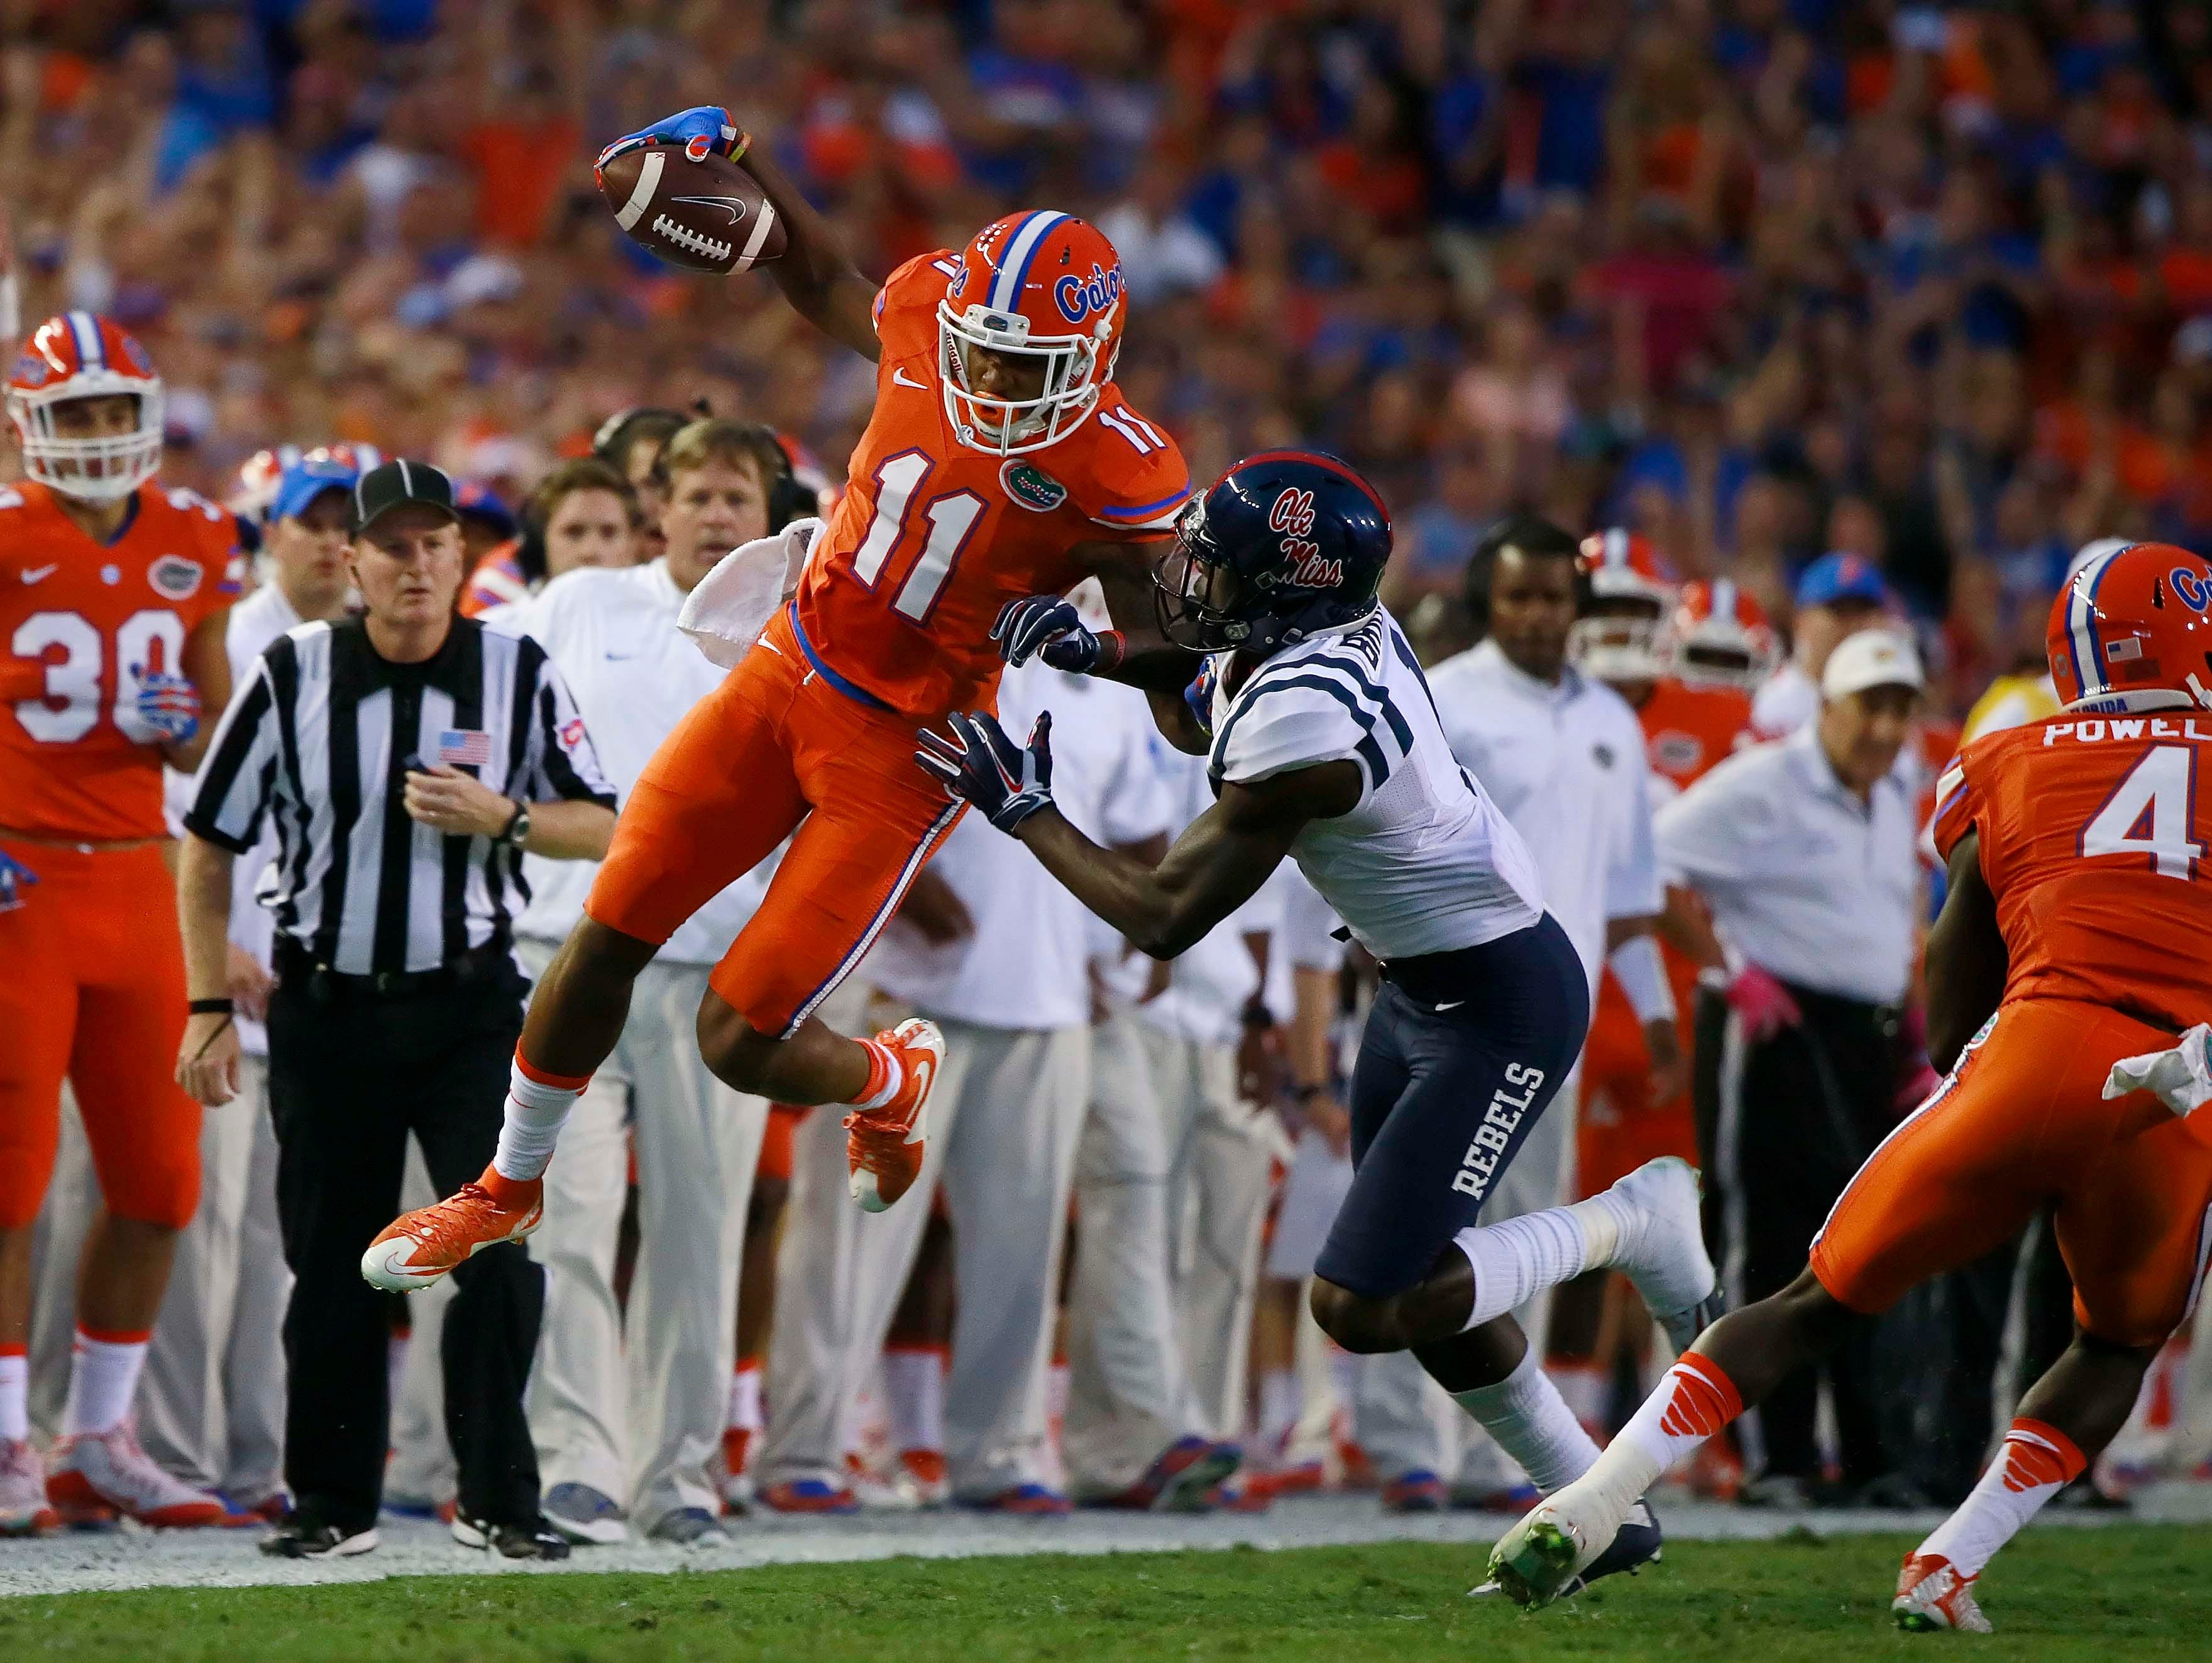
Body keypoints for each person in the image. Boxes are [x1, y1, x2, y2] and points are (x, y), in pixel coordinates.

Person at [368, 104, 1194, 1286]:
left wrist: (1112, 655)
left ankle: (884, 1076)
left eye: (1022, 363)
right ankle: (504, 1187)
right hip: (789, 665)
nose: (989, 376)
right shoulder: (925, 315)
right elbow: (814, 269)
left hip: (910, 745)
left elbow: (1172, 682)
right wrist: (749, 158)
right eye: (980, 344)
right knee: (609, 929)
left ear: (1088, 362)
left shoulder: (1121, 472)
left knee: (736, 1039)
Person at [924, 451, 1717, 1594]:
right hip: (1416, 985)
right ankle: (1596, 1504)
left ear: (1287, 595)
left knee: (1360, 1300)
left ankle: (1630, 1223)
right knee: (1414, 1280)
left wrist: (1027, 814)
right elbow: (1203, 700)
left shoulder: (1307, 721)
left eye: (1220, 564)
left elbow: (1160, 914)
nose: (1192, 575)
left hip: (1499, 999)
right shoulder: (1325, 639)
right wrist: (1096, 654)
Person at [1488, 541, 2212, 1628]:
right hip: (2175, 1083)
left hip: (2036, 1045)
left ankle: (1591, 1498)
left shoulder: (2005, 753)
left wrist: (1978, 1088)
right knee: (2110, 1343)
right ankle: (1947, 1563)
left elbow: (1948, 989)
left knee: (1813, 1297)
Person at [175, 459, 617, 1561]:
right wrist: (201, 1000)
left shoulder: (517, 670)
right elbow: (209, 839)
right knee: (331, 1261)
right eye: (393, 545)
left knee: (499, 1254)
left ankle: (497, 1497)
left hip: (468, 1005)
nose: (416, 563)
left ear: (462, 558)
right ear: (351, 561)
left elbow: (604, 823)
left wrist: (504, 816)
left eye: (436, 543)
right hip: (325, 1005)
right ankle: (330, 1501)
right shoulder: (291, 673)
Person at [510, 419, 801, 1547]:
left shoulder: (796, 632)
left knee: (697, 1226)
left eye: (739, 497)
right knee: (568, 1214)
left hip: (718, 967)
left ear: (766, 513)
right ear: (659, 510)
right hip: (570, 953)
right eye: (699, 497)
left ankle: (677, 1474)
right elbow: (470, 670)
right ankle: (574, 1462)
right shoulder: (580, 602)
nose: (718, 516)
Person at [1, 312, 241, 1533]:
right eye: (74, 412)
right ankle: (3, 1443)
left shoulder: (196, 538)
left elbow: (213, 732)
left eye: (112, 410)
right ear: (26, 425)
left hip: (139, 876)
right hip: (21, 880)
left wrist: (177, 726)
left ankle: (96, 1436)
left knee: (160, 1178)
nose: (97, 434)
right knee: (12, 1178)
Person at [1407, 516, 1675, 1508]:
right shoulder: (1446, 702)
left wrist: (1650, 1014)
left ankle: (1491, 1454)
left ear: (1578, 607)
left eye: (1552, 598)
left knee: (1519, 1237)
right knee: (1423, 1224)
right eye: (1517, 596)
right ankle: (1401, 1443)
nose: (1534, 615)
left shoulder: (1610, 719)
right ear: (1489, 602)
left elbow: (1630, 889)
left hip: (1556, 1026)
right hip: (1456, 1006)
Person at [1644, 628, 1929, 1508]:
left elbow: (1896, 909)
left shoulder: (1890, 791)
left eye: (1897, 708)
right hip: (1773, 1029)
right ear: (1828, 707)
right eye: (1867, 706)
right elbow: (1649, 862)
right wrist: (1729, 964)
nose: (1882, 727)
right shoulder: (1766, 780)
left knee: (1865, 1241)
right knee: (1766, 1241)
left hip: (1867, 1035)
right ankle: (1773, 1454)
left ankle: (1868, 1450)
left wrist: (1911, 1029)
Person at [137, 456, 360, 1517]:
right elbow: (180, 811)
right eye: (308, 523)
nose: (329, 542)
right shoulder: (224, 637)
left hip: (312, 993)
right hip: (221, 987)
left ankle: (255, 1458)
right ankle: (176, 1455)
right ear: (266, 533)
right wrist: (208, 952)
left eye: (344, 526)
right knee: (203, 1228)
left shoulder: (365, 650)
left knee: (285, 1237)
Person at [1554, 559, 1759, 1447]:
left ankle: (1662, 1427)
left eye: (1636, 608)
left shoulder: (1709, 719)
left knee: (1668, 1232)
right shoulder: (1561, 715)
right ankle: (1578, 1422)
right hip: (1599, 992)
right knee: (1580, 1230)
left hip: (1661, 998)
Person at [459, 457, 643, 618]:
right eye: (574, 532)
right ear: (541, 541)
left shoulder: (668, 625)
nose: (591, 551)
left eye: (609, 533)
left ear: (633, 544)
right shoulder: (504, 630)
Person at [1748, 551, 1893, 738]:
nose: (1853, 625)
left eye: (1864, 612)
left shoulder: (1895, 709)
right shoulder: (1773, 707)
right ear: (1801, 622)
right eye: (1839, 611)